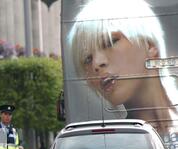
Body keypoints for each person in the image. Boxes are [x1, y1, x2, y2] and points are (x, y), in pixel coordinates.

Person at [67, 0, 178, 137]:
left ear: (149, 45)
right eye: (87, 59)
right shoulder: (117, 145)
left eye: (110, 42)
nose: (96, 64)